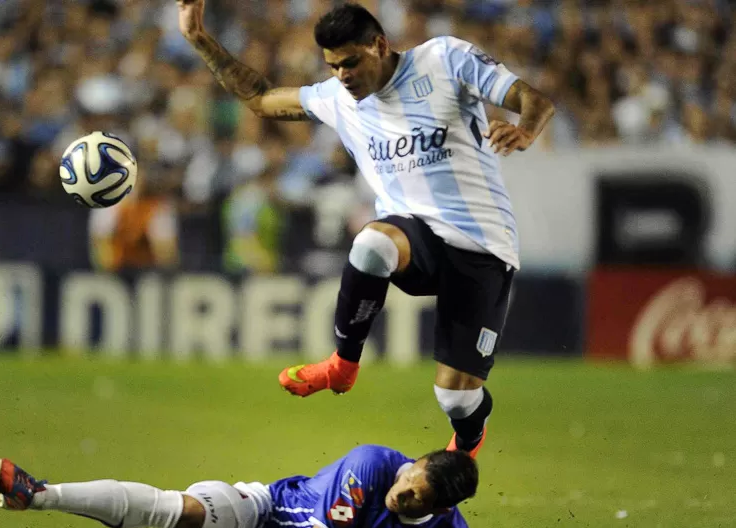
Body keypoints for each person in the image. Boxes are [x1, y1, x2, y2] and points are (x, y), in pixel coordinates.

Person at [177, 0, 556, 457]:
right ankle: (343, 364)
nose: (343, 76)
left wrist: (526, 130)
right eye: (333, 67)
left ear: (380, 44)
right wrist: (199, 37)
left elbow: (534, 100)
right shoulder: (338, 100)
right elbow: (259, 98)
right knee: (372, 242)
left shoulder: (444, 59)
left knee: (455, 396)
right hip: (416, 240)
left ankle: (470, 436)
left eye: (351, 62)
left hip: (482, 245)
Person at [0, 444, 478, 528]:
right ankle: (38, 495)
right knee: (187, 511)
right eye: (407, 479)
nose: (401, 494)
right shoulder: (372, 465)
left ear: (441, 508)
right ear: (412, 464)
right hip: (255, 518)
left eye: (416, 498)